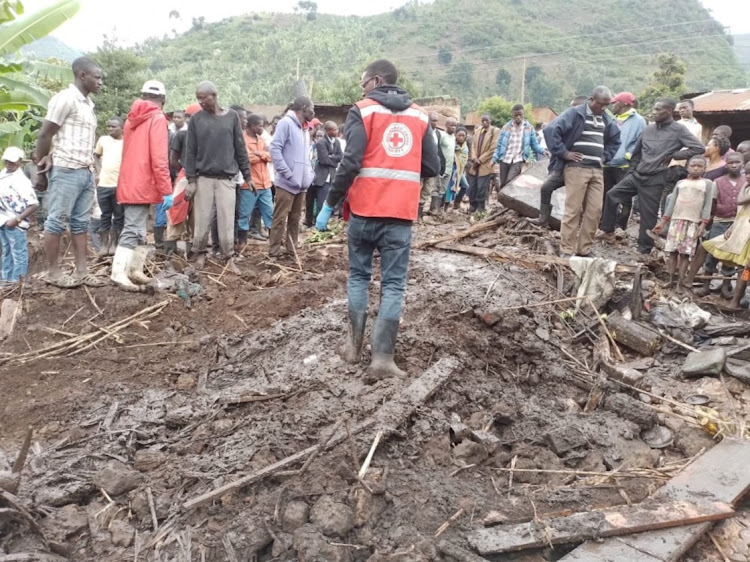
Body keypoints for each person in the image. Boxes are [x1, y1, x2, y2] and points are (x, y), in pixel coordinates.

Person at [315, 59, 439, 379]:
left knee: (359, 277)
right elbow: (433, 167)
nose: (362, 89)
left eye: (363, 83)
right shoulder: (420, 116)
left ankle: (353, 349)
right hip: (400, 215)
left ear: (377, 80)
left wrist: (330, 203)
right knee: (393, 285)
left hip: (364, 211)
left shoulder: (364, 111)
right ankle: (382, 359)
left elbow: (351, 161)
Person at [600, 99, 705, 254]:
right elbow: (636, 153)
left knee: (648, 214)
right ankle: (607, 230)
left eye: (657, 109)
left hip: (656, 177)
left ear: (669, 111)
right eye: (653, 109)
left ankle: (644, 249)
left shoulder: (678, 130)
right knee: (612, 194)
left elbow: (698, 147)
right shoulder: (648, 129)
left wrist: (675, 154)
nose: (653, 112)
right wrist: (631, 172)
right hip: (637, 174)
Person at [35, 56, 104, 288]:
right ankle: (53, 273)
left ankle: (82, 272)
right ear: (81, 75)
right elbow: (45, 134)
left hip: (84, 171)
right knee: (56, 222)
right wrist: (41, 170)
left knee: (80, 224)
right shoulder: (65, 99)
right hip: (65, 170)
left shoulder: (88, 104)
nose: (100, 82)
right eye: (97, 77)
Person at [111, 80, 173, 290]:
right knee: (133, 228)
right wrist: (167, 190)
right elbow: (159, 158)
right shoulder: (157, 119)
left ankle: (135, 270)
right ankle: (119, 273)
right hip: (143, 181)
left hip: (130, 179)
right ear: (162, 100)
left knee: (139, 229)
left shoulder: (131, 119)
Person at [545, 86, 621, 257]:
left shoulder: (606, 118)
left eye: (607, 105)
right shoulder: (575, 113)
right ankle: (566, 249)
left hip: (597, 169)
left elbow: (616, 139)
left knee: (595, 211)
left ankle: (584, 249)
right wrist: (564, 153)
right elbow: (551, 130)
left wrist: (605, 156)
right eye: (600, 104)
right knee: (573, 210)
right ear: (591, 99)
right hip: (577, 169)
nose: (603, 108)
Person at [184, 81, 251, 268]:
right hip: (203, 177)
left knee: (227, 219)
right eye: (198, 99)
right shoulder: (196, 120)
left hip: (226, 179)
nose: (201, 102)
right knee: (202, 220)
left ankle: (228, 256)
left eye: (203, 98)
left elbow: (240, 148)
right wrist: (191, 180)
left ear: (214, 95)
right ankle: (200, 254)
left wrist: (248, 176)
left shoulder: (231, 118)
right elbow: (190, 152)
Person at [686, 153, 746, 297]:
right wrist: (706, 223)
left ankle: (725, 287)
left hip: (738, 224)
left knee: (730, 255)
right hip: (719, 221)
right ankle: (706, 285)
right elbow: (712, 204)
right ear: (726, 164)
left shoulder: (746, 182)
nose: (733, 165)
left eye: (737, 162)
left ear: (743, 164)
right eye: (730, 162)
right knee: (712, 253)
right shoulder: (717, 182)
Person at [652, 155, 715, 290]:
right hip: (676, 221)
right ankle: (670, 280)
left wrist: (703, 224)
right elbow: (672, 203)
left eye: (699, 166)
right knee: (672, 252)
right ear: (687, 167)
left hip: (692, 223)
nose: (696, 168)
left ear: (705, 168)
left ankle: (680, 283)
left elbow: (707, 205)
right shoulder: (680, 183)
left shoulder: (707, 183)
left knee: (685, 255)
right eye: (693, 165)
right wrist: (663, 222)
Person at [268, 96, 315, 258]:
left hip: (301, 185)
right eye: (312, 109)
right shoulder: (286, 124)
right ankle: (273, 252)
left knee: (295, 218)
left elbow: (306, 157)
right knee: (280, 218)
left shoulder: (305, 129)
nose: (313, 113)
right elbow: (274, 149)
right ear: (303, 108)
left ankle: (291, 250)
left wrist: (309, 175)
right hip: (286, 184)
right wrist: (287, 173)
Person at [531, 95, 588, 227]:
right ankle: (543, 218)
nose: (570, 111)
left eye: (573, 108)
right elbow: (551, 133)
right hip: (563, 167)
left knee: (577, 199)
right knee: (546, 187)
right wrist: (563, 154)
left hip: (581, 169)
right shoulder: (567, 124)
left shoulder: (587, 126)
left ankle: (579, 224)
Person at [605, 92, 646, 232]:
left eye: (615, 103)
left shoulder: (639, 120)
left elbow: (641, 141)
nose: (613, 105)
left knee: (624, 198)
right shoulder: (612, 118)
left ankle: (620, 227)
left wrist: (627, 155)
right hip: (607, 164)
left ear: (624, 104)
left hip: (624, 166)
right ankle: (606, 226)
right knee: (607, 195)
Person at [165, 103, 201, 256]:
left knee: (197, 215)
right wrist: (186, 172)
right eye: (190, 117)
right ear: (187, 118)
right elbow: (172, 159)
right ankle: (171, 250)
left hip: (201, 179)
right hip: (186, 177)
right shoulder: (181, 135)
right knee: (177, 209)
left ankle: (193, 249)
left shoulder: (207, 137)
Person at [0, 147, 39, 283]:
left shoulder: (22, 181)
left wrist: (17, 219)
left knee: (18, 253)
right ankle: (5, 280)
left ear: (20, 162)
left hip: (15, 222)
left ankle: (17, 283)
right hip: (3, 220)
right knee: (6, 252)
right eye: (7, 161)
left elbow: (34, 204)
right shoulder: (3, 174)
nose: (9, 164)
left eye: (12, 162)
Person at [491, 104, 545, 192]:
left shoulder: (529, 128)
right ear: (512, 115)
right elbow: (499, 145)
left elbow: (534, 144)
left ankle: (508, 203)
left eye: (520, 114)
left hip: (518, 159)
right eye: (516, 115)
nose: (518, 117)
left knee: (510, 181)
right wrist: (494, 158)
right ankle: (505, 204)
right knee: (503, 183)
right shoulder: (506, 127)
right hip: (505, 159)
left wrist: (542, 151)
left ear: (523, 114)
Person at [240, 114, 274, 243]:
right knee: (244, 214)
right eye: (260, 125)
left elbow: (271, 157)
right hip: (250, 185)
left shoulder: (261, 140)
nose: (262, 128)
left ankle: (274, 241)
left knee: (270, 212)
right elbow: (247, 158)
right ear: (252, 126)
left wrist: (259, 154)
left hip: (265, 184)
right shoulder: (243, 140)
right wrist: (263, 155)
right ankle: (241, 242)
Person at [93, 116, 124, 256]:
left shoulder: (127, 142)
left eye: (114, 127)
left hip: (119, 185)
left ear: (122, 128)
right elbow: (95, 156)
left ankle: (115, 244)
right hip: (104, 184)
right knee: (105, 214)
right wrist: (98, 171)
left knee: (118, 215)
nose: (110, 129)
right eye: (109, 126)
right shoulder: (103, 140)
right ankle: (104, 244)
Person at [307, 121, 342, 227]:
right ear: (327, 131)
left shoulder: (337, 142)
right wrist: (333, 159)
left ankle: (323, 224)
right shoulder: (321, 142)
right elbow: (323, 160)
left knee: (328, 202)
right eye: (334, 129)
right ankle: (318, 225)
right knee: (321, 203)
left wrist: (332, 157)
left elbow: (341, 156)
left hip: (331, 176)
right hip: (321, 177)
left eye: (336, 129)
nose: (336, 131)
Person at [466, 113, 500, 213]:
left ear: (490, 121)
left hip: (484, 164)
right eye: (483, 121)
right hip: (474, 163)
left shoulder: (495, 131)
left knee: (482, 187)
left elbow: (493, 148)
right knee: (472, 186)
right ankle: (472, 206)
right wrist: (474, 158)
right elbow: (473, 145)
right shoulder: (477, 131)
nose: (484, 122)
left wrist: (480, 159)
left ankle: (481, 208)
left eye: (487, 121)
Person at [431, 116, 456, 213]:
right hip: (440, 167)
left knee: (443, 189)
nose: (453, 127)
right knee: (436, 187)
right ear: (446, 125)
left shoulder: (453, 137)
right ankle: (433, 209)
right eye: (451, 125)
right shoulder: (441, 135)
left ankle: (439, 210)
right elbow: (436, 150)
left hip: (449, 168)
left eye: (455, 125)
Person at [418, 112, 440, 217]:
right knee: (417, 189)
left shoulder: (438, 134)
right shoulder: (420, 131)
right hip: (420, 167)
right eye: (433, 120)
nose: (435, 123)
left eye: (436, 121)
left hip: (431, 169)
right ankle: (415, 215)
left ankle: (420, 213)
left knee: (427, 190)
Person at [446, 126, 470, 209]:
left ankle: (457, 202)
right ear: (456, 135)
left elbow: (464, 159)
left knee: (465, 186)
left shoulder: (465, 148)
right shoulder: (451, 144)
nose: (461, 137)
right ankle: (445, 206)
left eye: (463, 136)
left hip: (459, 171)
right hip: (450, 168)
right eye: (459, 135)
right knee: (448, 188)